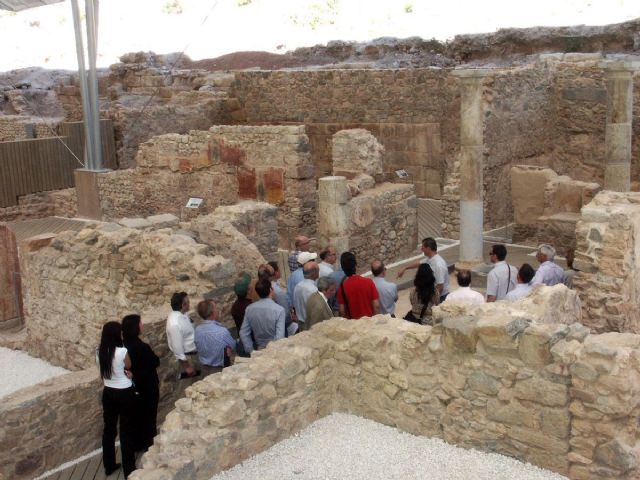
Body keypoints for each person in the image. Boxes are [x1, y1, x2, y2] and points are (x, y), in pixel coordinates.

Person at [97, 321, 136, 478]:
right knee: (126, 431)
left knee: (109, 430)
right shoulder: (122, 351)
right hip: (125, 392)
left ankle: (109, 465)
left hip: (108, 392)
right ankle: (129, 469)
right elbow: (129, 366)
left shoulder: (99, 352)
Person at [121, 314, 159, 454]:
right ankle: (149, 445)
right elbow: (155, 361)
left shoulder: (123, 346)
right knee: (149, 416)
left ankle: (137, 444)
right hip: (147, 386)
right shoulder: (141, 346)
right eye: (140, 323)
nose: (142, 325)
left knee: (136, 416)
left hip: (132, 386)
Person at [240, 279, 286, 354]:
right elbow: (280, 337)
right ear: (271, 290)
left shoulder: (249, 309)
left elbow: (243, 332)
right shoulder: (279, 310)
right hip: (275, 351)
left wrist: (251, 351)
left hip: (260, 349)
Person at [398, 237, 450, 302]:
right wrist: (405, 267)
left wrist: (432, 301)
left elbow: (440, 286)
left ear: (428, 248)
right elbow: (419, 263)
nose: (421, 249)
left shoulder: (438, 265)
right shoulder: (430, 259)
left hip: (440, 298)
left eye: (423, 247)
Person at [195, 299, 236, 376]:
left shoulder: (197, 330)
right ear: (212, 313)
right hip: (219, 371)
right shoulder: (222, 332)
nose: (218, 310)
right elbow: (233, 346)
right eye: (216, 308)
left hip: (203, 369)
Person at [336, 252, 380, 319]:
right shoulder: (368, 282)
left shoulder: (341, 289)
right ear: (355, 264)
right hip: (370, 323)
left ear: (342, 267)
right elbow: (376, 305)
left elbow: (342, 311)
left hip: (354, 326)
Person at [166, 292, 198, 378]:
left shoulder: (183, 313)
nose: (190, 304)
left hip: (193, 355)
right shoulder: (174, 324)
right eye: (188, 302)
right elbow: (177, 348)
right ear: (183, 305)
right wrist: (187, 367)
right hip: (188, 358)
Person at [293, 261, 320, 330]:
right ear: (314, 273)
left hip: (300, 324)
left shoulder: (297, 286)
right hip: (310, 325)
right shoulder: (313, 290)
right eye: (318, 271)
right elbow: (316, 312)